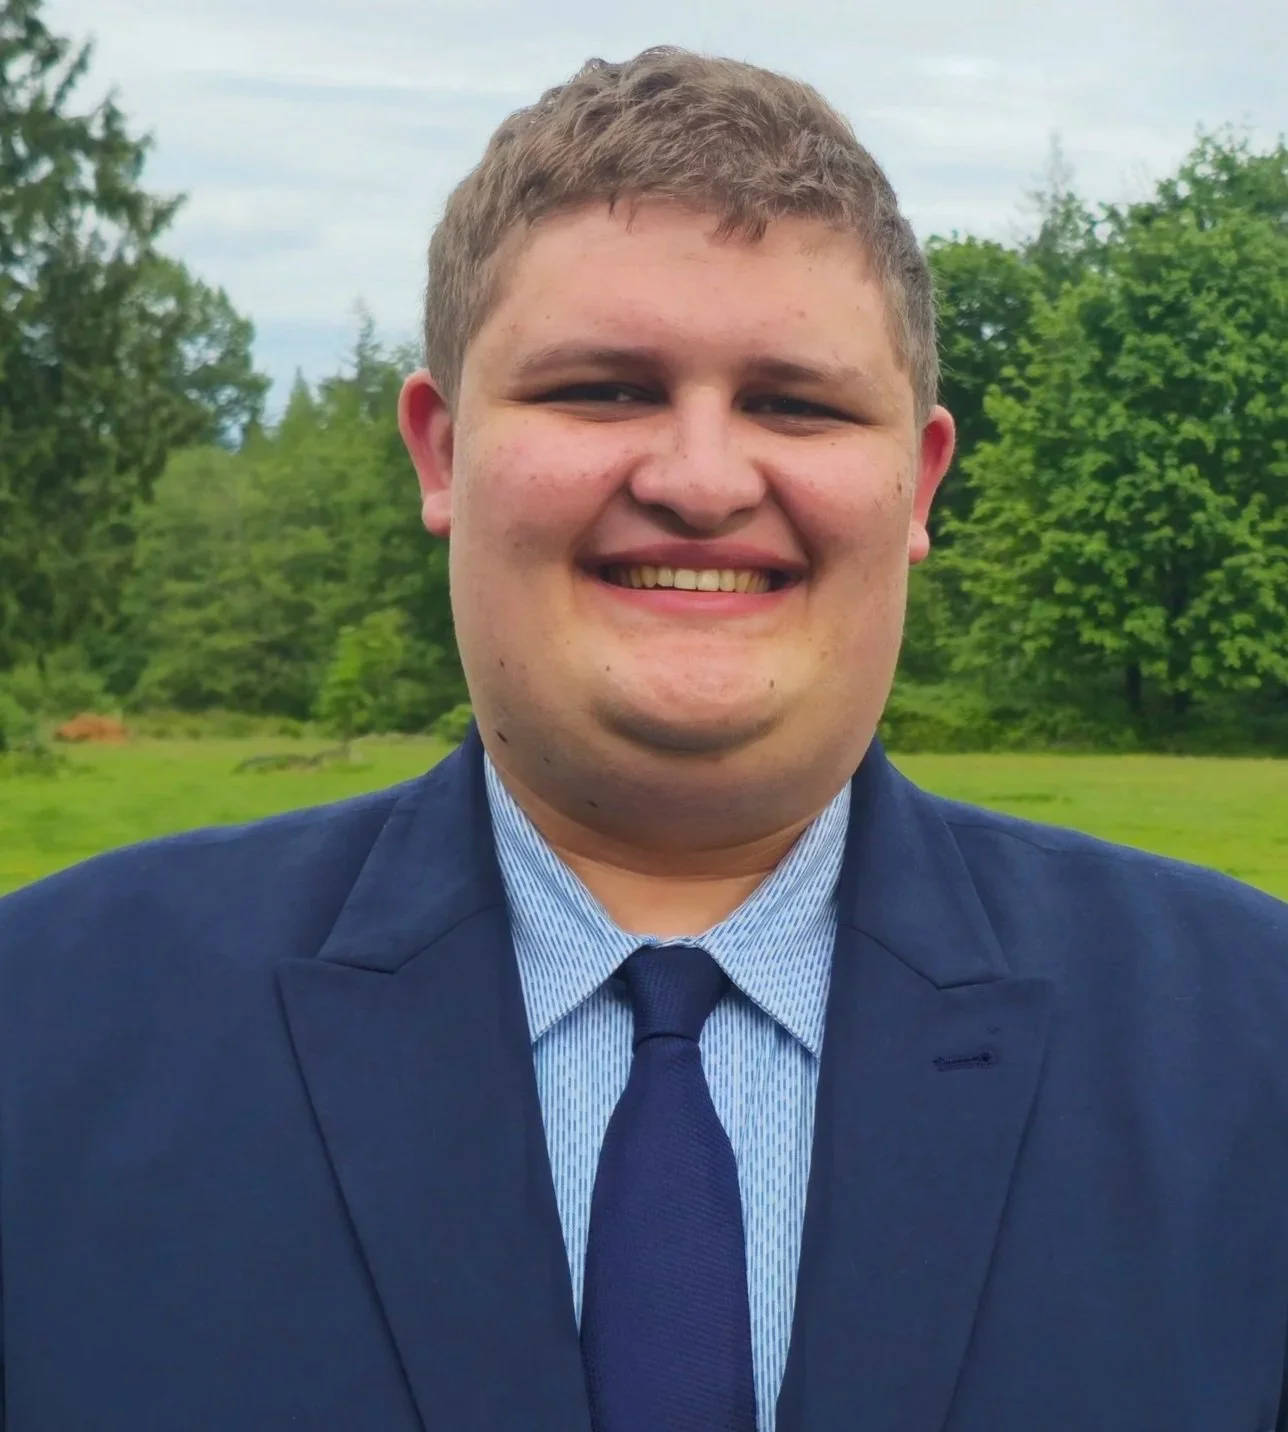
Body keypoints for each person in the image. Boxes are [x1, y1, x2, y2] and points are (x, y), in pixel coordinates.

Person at [1, 45, 1286, 1432]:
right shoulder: (43, 1029)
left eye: (796, 403)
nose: (700, 481)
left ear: (917, 485)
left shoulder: (1251, 1047)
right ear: (443, 452)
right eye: (603, 389)